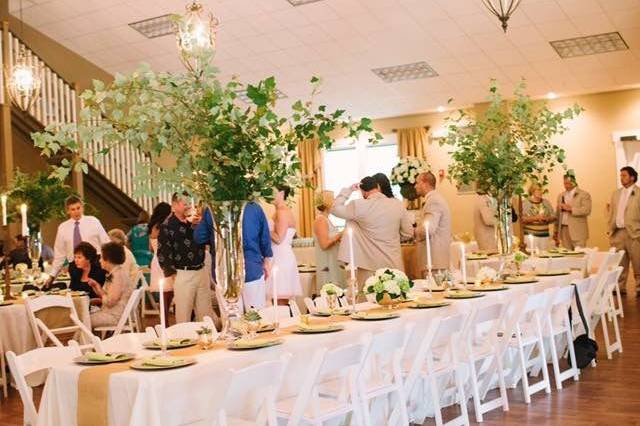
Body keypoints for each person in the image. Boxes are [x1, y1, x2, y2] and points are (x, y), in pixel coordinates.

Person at [331, 176, 414, 283]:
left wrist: (348, 190)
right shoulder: (397, 204)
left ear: (363, 192)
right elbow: (408, 233)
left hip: (368, 267)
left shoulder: (359, 206)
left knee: (369, 299)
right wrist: (392, 238)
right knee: (396, 297)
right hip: (393, 263)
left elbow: (334, 209)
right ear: (377, 187)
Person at [195, 201, 273, 311]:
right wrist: (266, 260)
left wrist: (213, 239)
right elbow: (265, 238)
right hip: (251, 268)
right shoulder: (254, 207)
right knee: (257, 318)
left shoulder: (213, 209)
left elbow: (199, 238)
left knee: (231, 321)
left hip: (224, 272)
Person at [157, 192, 213, 323]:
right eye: (184, 203)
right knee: (184, 313)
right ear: (175, 205)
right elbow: (163, 251)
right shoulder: (167, 225)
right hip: (183, 273)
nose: (188, 206)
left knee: (205, 313)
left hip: (201, 270)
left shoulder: (196, 221)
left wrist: (201, 225)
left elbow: (207, 240)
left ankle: (207, 339)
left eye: (189, 203)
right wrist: (171, 274)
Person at [47, 195, 110, 286]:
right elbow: (59, 254)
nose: (76, 211)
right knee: (76, 293)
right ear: (68, 211)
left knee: (95, 291)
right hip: (74, 265)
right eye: (73, 209)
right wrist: (52, 276)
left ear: (82, 207)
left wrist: (109, 267)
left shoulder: (93, 221)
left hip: (95, 263)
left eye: (78, 208)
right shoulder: (63, 228)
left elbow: (105, 243)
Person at [608, 166, 640, 295]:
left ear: (632, 177)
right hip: (618, 232)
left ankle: (639, 287)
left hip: (634, 233)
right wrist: (609, 229)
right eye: (620, 175)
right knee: (620, 261)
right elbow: (612, 213)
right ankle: (620, 286)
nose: (622, 178)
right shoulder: (616, 193)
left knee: (637, 261)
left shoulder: (638, 193)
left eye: (624, 175)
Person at [267, 186, 301, 304]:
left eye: (272, 192)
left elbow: (278, 239)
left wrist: (263, 229)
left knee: (280, 299)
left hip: (281, 258)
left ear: (281, 193)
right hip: (277, 255)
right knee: (276, 299)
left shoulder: (282, 212)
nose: (269, 195)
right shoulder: (278, 212)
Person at [88, 242, 133, 327]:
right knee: (83, 318)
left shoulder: (118, 276)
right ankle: (88, 340)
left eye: (101, 257)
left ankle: (83, 340)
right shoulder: (117, 272)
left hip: (115, 316)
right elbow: (109, 297)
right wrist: (97, 287)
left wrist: (100, 292)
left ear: (107, 259)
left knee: (82, 321)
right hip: (114, 313)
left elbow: (110, 302)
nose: (100, 260)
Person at [414, 171, 451, 274]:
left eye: (417, 183)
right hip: (436, 260)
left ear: (424, 183)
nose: (415, 186)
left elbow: (428, 229)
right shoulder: (434, 199)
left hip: (434, 261)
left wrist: (413, 232)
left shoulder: (433, 201)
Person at [313, 191, 343, 287]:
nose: (335, 202)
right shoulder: (321, 220)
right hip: (327, 263)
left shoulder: (326, 219)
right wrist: (340, 234)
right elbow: (324, 244)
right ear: (327, 202)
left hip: (333, 261)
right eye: (333, 199)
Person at [148, 202, 173, 320]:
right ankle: (166, 323)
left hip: (155, 260)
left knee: (165, 295)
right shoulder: (164, 226)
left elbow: (151, 248)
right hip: (164, 260)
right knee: (169, 294)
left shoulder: (153, 227)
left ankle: (165, 322)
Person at [555, 171, 592, 249]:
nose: (566, 185)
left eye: (568, 182)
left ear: (574, 181)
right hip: (564, 229)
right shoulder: (561, 195)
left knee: (579, 256)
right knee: (566, 256)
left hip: (578, 230)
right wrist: (556, 231)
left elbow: (587, 210)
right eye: (564, 183)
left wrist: (571, 209)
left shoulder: (583, 194)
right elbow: (557, 215)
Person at [522, 183, 555, 250]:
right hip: (530, 235)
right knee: (532, 255)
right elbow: (522, 219)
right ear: (532, 191)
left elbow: (553, 217)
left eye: (541, 190)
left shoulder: (546, 202)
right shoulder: (526, 203)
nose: (541, 192)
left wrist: (546, 219)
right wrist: (535, 218)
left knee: (544, 256)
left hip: (544, 235)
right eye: (538, 190)